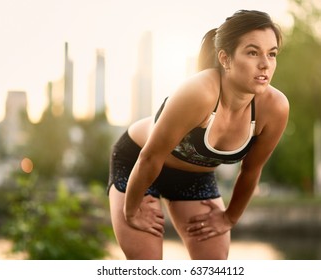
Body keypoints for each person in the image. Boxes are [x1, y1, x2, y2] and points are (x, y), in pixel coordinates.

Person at [108, 10, 289, 260]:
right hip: (138, 163)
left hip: (194, 179)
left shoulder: (275, 107)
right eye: (252, 52)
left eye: (272, 54)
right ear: (225, 58)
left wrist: (229, 218)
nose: (265, 64)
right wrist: (130, 211)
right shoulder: (199, 92)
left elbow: (251, 170)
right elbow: (149, 158)